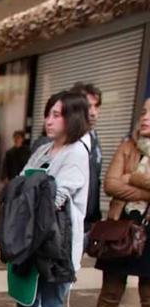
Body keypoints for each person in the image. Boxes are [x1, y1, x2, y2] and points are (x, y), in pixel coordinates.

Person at [0, 91, 90, 307]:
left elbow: (56, 198)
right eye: (48, 113)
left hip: (54, 247)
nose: (49, 120)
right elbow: (21, 187)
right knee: (27, 304)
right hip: (29, 243)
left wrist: (30, 200)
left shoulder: (76, 153)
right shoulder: (43, 150)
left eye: (57, 114)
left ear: (73, 117)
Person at [81, 97, 150, 307]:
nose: (145, 117)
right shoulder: (127, 146)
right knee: (110, 289)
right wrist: (144, 189)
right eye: (144, 112)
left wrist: (130, 177)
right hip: (121, 226)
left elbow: (121, 180)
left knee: (148, 292)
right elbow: (110, 184)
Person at [71, 82, 103, 227]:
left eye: (96, 106)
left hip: (88, 221)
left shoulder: (94, 138)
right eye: (88, 106)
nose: (93, 112)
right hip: (67, 221)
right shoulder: (66, 139)